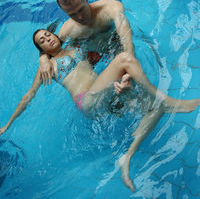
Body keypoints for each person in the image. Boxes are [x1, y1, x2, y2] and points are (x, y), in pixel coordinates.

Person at [1, 29, 200, 192]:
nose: (47, 39)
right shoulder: (48, 67)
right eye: (42, 41)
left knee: (154, 110)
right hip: (86, 100)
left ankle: (127, 156)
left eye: (47, 34)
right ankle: (164, 98)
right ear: (41, 49)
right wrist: (8, 124)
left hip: (105, 94)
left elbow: (89, 29)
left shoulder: (74, 45)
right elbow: (29, 95)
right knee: (124, 58)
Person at [39, 0, 135, 85]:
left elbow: (126, 38)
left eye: (81, 9)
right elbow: (51, 47)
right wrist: (43, 59)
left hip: (117, 47)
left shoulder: (110, 8)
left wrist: (129, 70)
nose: (80, 17)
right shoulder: (68, 30)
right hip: (94, 58)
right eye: (72, 14)